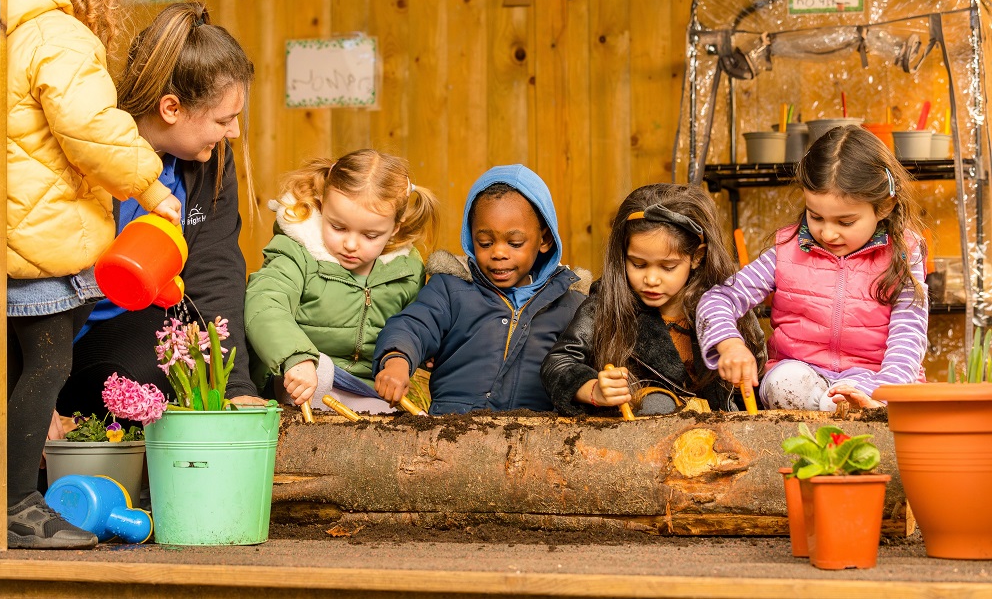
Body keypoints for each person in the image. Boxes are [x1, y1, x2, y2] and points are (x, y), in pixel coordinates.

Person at [5, 0, 182, 549]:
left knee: (9, 367)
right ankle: (17, 505)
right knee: (46, 363)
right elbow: (92, 130)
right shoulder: (55, 34)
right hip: (37, 240)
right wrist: (152, 187)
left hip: (7, 233)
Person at [57, 2, 263, 424]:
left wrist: (235, 388)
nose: (234, 132)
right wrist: (38, 391)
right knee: (151, 373)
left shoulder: (211, 161)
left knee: (219, 344)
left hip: (147, 317)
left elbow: (215, 269)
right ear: (171, 109)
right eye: (224, 119)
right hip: (70, 339)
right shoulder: (90, 156)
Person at [697, 125, 928, 411]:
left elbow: (908, 338)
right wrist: (729, 344)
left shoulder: (904, 256)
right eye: (816, 216)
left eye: (845, 222)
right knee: (784, 382)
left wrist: (882, 395)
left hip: (873, 381)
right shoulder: (786, 251)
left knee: (846, 400)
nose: (828, 234)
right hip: (801, 377)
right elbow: (718, 298)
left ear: (883, 207)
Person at [372, 164, 590, 415]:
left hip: (536, 436)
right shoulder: (451, 288)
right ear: (470, 236)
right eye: (485, 242)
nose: (498, 253)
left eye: (514, 242)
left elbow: (582, 365)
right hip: (451, 429)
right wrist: (397, 359)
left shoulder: (569, 305)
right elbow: (414, 325)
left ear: (544, 239)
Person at [541, 184, 766, 415]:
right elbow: (558, 365)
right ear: (623, 255)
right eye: (638, 264)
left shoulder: (725, 304)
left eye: (668, 267)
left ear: (697, 257)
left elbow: (757, 372)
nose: (650, 279)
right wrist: (594, 390)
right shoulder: (606, 304)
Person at [244, 150, 439, 413]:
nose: (350, 244)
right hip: (299, 376)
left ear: (395, 227)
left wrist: (422, 354)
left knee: (393, 417)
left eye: (370, 235)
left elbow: (416, 325)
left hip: (364, 388)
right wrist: (295, 357)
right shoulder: (297, 252)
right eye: (338, 227)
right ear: (322, 204)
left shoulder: (406, 269)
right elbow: (265, 303)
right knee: (321, 372)